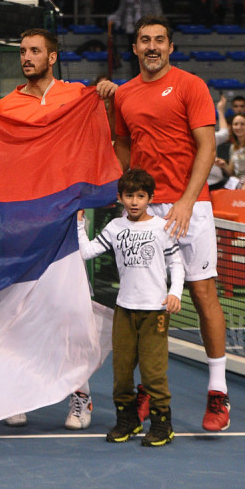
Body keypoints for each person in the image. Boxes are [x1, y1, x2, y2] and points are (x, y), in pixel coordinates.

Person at [0, 28, 117, 430]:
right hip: (21, 222)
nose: (26, 57)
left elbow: (102, 137)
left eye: (34, 51)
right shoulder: (7, 103)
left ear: (52, 57)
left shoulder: (78, 97)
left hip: (66, 222)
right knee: (16, 310)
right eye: (23, 51)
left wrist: (107, 97)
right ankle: (14, 393)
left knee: (70, 311)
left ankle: (80, 396)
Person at [113, 14, 230, 432]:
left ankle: (218, 393)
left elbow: (205, 145)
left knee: (202, 294)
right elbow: (123, 143)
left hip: (190, 209)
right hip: (145, 212)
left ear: (170, 47)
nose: (152, 47)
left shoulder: (191, 85)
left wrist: (185, 201)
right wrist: (129, 196)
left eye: (159, 40)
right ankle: (150, 388)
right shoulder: (123, 94)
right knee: (145, 301)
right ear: (135, 47)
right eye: (144, 40)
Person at [77, 169, 183, 447]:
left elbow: (177, 264)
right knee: (121, 372)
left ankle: (162, 425)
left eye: (140, 196)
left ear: (150, 198)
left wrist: (175, 293)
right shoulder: (114, 227)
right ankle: (128, 421)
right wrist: (79, 224)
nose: (134, 202)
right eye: (129, 196)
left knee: (153, 373)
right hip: (124, 310)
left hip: (155, 312)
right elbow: (87, 252)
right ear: (120, 198)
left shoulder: (162, 227)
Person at [108, 0, 161, 74]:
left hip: (146, 21)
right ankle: (136, 75)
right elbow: (123, 3)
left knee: (147, 49)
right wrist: (116, 17)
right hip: (130, 21)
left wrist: (159, 20)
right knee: (134, 50)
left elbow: (155, 1)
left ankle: (148, 74)